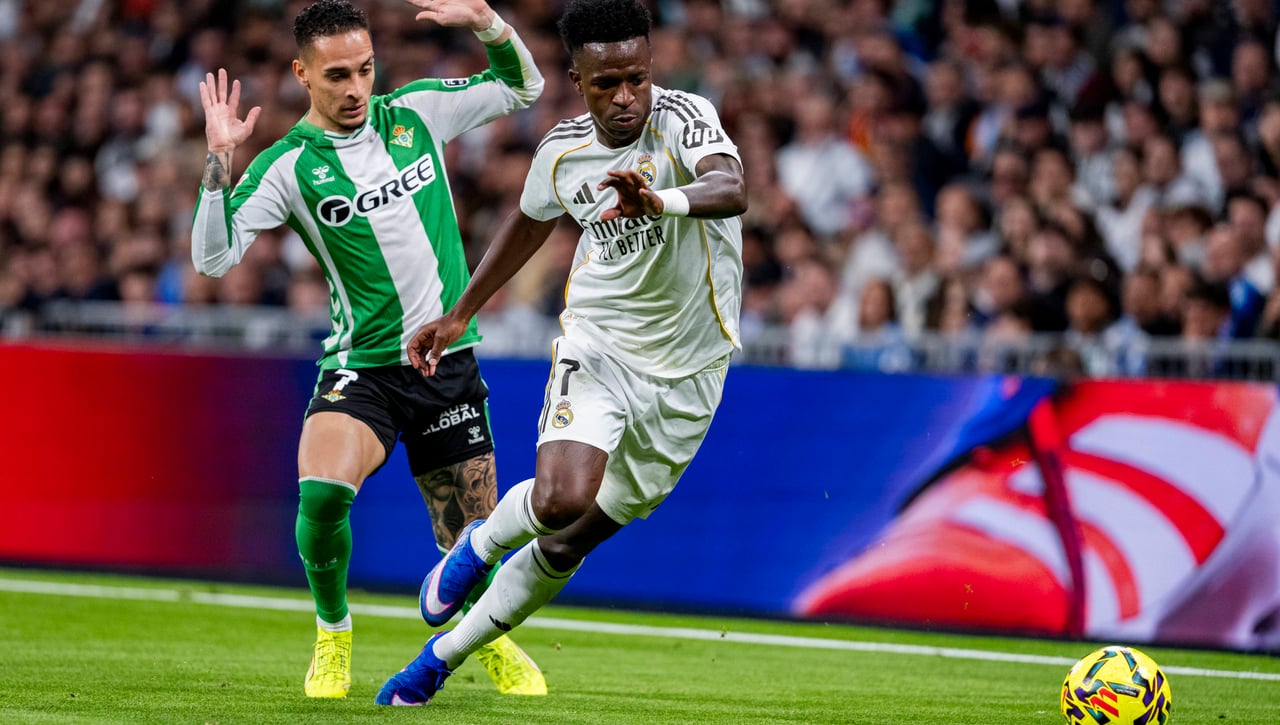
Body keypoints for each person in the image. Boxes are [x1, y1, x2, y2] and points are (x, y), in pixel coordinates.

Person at [376, 0, 748, 706]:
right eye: (607, 83)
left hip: (693, 373)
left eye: (636, 78)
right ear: (578, 80)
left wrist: (661, 202)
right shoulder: (562, 150)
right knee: (559, 498)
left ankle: (440, 657)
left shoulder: (685, 116)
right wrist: (460, 313)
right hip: (601, 342)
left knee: (567, 542)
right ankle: (479, 545)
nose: (626, 96)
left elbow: (731, 187)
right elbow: (528, 222)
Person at [189, 0, 547, 700]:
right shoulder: (288, 166)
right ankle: (333, 633)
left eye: (365, 69)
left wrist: (486, 20)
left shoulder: (416, 113)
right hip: (361, 368)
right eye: (337, 75)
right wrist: (219, 159)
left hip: (445, 364)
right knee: (322, 494)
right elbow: (213, 257)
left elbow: (523, 87)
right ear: (302, 74)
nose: (356, 88)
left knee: (468, 543)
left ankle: (485, 636)